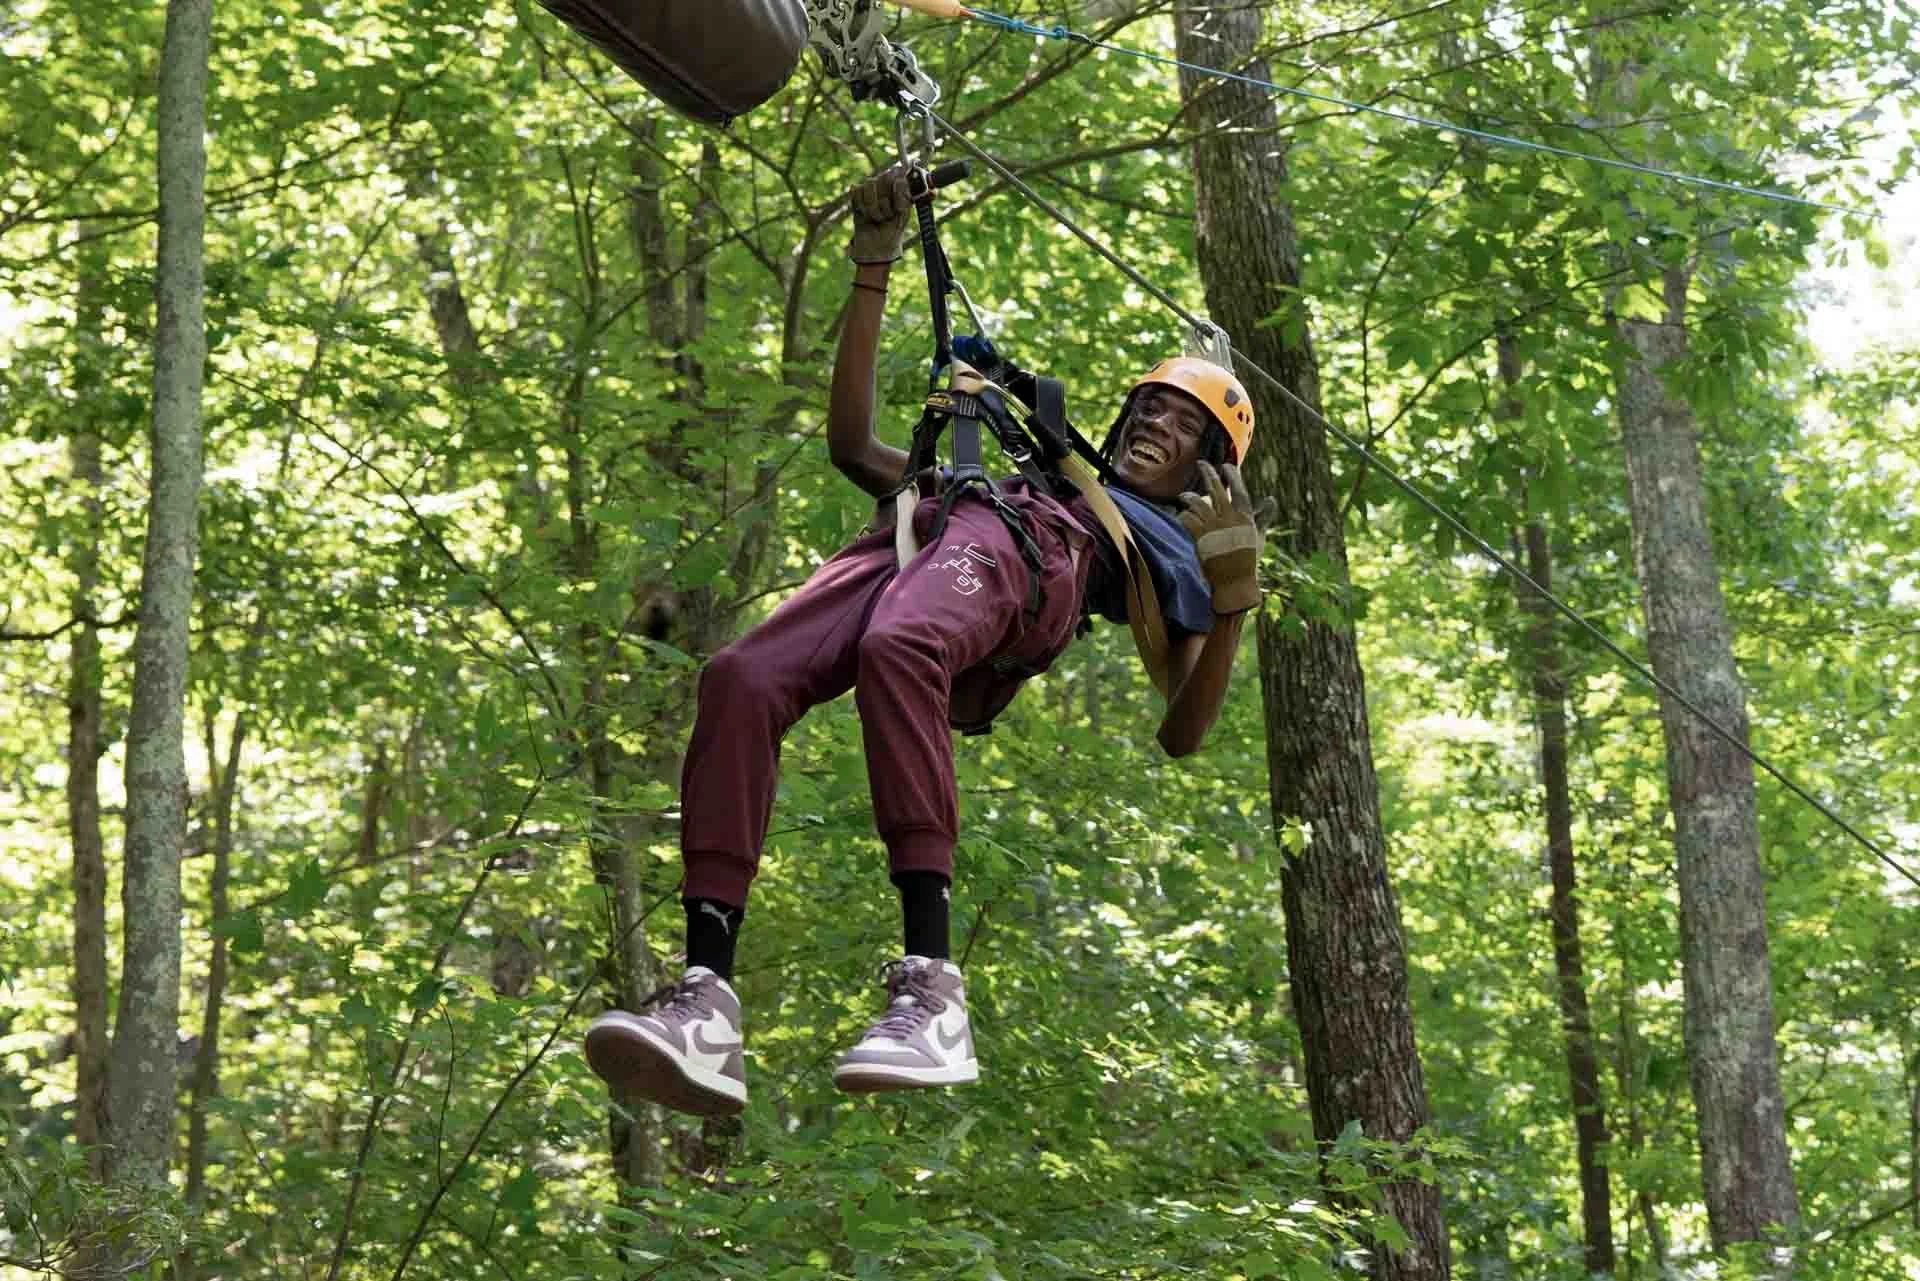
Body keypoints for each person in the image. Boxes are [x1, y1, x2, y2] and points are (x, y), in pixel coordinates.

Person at [583, 165, 1268, 1116]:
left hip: (1022, 563)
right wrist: (874, 265)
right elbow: (851, 441)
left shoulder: (1166, 550)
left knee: (899, 648)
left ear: (1209, 467)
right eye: (1150, 406)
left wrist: (1232, 609)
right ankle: (707, 1004)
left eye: (1185, 424)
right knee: (740, 676)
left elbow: (1184, 733)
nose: (1157, 423)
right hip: (929, 533)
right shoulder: (1037, 461)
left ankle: (933, 987)